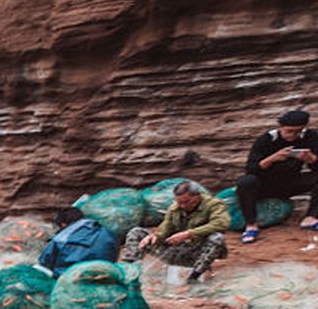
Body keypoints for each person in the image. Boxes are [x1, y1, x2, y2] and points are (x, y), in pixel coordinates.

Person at [234, 108, 318, 243]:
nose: (294, 135)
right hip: (264, 185)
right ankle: (251, 225)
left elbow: (315, 168)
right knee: (246, 181)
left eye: (298, 131)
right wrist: (272, 158)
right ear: (280, 127)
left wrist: (311, 159)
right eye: (289, 131)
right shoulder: (266, 139)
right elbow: (251, 169)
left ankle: (311, 218)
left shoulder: (310, 137)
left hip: (289, 183)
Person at [127, 181, 229, 280]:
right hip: (175, 250)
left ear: (197, 196)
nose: (183, 206)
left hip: (197, 252)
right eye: (179, 202)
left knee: (217, 238)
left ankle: (195, 275)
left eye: (186, 202)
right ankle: (130, 271)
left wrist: (189, 234)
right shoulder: (175, 208)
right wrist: (155, 237)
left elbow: (221, 224)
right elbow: (165, 227)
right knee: (136, 232)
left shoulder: (214, 205)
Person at [38, 206, 122, 276]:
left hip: (70, 278)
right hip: (104, 275)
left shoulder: (61, 238)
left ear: (63, 225)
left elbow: (44, 262)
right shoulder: (108, 233)